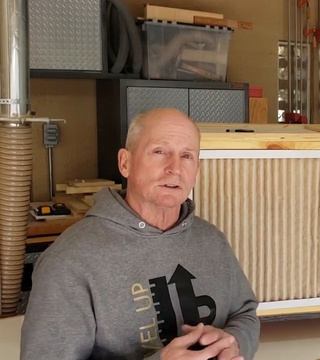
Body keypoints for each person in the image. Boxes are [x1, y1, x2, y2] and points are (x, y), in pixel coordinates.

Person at [21, 108, 259, 360]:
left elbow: (245, 314)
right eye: (159, 152)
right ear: (125, 163)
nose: (174, 168)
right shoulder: (69, 262)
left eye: (187, 156)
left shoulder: (212, 240)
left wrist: (236, 342)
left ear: (196, 171)